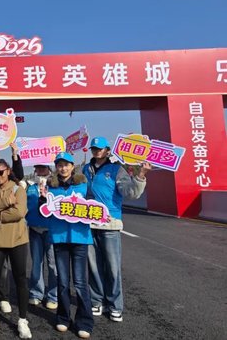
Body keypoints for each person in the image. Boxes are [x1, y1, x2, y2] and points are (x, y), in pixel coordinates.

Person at [82, 137, 150, 323]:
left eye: (100, 148)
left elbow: (130, 192)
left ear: (107, 150)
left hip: (110, 224)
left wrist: (141, 175)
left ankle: (115, 305)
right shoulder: (85, 169)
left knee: (112, 268)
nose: (97, 151)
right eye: (94, 148)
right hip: (88, 223)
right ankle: (97, 300)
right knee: (93, 266)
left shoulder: (116, 170)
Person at [0, 159, 32, 339]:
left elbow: (19, 212)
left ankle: (23, 319)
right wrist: (5, 202)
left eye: (0, 172)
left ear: (8, 171)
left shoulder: (18, 189)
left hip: (18, 239)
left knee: (20, 279)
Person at [45, 152, 93, 339]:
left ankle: (84, 321)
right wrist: (42, 199)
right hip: (59, 238)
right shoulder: (50, 186)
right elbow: (44, 211)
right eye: (59, 165)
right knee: (63, 282)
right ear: (56, 167)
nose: (63, 168)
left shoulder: (83, 185)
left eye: (66, 164)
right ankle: (63, 318)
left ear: (73, 166)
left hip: (80, 238)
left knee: (80, 283)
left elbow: (94, 207)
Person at [25, 164, 58, 310]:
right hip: (34, 228)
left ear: (49, 168)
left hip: (52, 229)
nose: (41, 169)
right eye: (38, 167)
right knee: (36, 263)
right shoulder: (29, 185)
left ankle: (53, 295)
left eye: (43, 167)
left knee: (53, 265)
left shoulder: (55, 184)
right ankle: (36, 293)